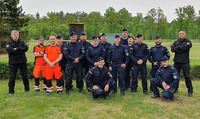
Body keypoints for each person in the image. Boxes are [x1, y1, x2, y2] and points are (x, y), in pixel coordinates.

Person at [6, 30, 29, 96]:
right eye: (14, 35)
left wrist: (16, 49)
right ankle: (11, 91)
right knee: (12, 77)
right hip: (13, 63)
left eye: (17, 35)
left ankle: (27, 89)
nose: (16, 36)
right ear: (11, 36)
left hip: (22, 62)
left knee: (25, 76)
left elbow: (26, 48)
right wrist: (20, 49)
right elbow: (10, 51)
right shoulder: (9, 43)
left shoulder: (22, 42)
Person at [171, 30, 193, 97]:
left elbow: (186, 48)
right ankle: (175, 88)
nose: (181, 34)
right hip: (177, 61)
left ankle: (190, 90)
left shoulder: (188, 42)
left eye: (182, 33)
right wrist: (181, 48)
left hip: (185, 62)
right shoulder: (176, 42)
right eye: (180, 33)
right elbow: (172, 49)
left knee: (187, 76)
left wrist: (178, 48)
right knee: (175, 76)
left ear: (185, 34)